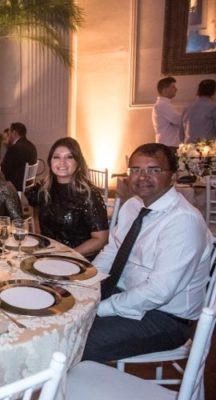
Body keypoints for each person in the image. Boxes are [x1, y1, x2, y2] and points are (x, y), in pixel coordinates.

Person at [82, 143, 212, 363]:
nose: (142, 177)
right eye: (136, 169)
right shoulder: (133, 206)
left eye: (154, 170)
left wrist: (100, 308)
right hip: (123, 294)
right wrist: (86, 281)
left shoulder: (183, 221)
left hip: (164, 318)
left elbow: (158, 292)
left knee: (76, 338)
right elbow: (112, 251)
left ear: (173, 176)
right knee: (62, 314)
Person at [25, 138, 109, 259]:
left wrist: (67, 255)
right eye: (56, 157)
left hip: (77, 259)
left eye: (69, 157)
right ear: (50, 162)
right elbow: (28, 203)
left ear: (78, 162)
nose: (62, 162)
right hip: (48, 255)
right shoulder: (44, 188)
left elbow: (101, 239)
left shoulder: (89, 194)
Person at [0, 122, 37, 191]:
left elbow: (4, 169)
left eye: (9, 133)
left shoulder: (14, 148)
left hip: (16, 184)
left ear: (14, 133)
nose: (9, 136)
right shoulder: (32, 146)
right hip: (28, 183)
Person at [152, 76, 183, 148]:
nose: (176, 89)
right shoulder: (162, 105)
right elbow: (179, 120)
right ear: (164, 89)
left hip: (169, 144)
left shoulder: (165, 104)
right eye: (173, 87)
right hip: (168, 145)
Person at [183, 79, 216, 143]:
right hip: (207, 146)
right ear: (214, 92)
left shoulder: (187, 108)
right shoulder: (213, 107)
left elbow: (181, 134)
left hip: (188, 146)